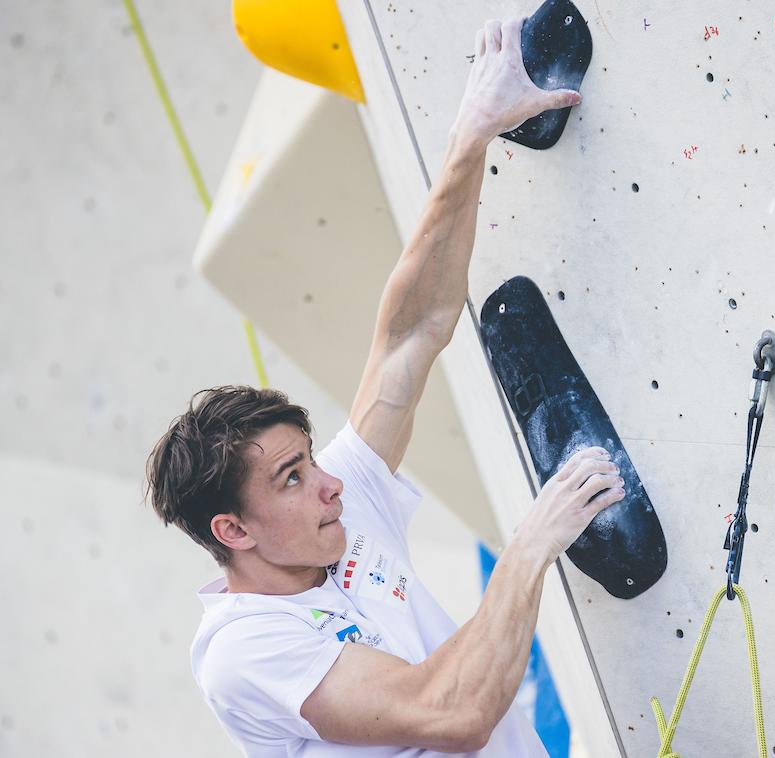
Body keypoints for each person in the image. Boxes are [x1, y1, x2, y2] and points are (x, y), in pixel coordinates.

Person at [144, 17, 624, 756]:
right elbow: (450, 713)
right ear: (233, 531)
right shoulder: (245, 650)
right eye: (292, 477)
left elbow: (412, 330)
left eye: (308, 458)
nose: (329, 483)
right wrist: (529, 550)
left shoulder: (333, 516)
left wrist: (470, 137)